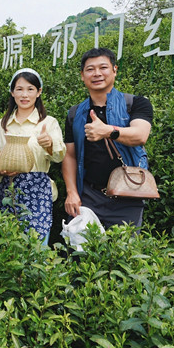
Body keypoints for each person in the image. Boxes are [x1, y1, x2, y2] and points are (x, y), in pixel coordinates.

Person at [62, 47, 154, 229]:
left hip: (129, 194)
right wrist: (72, 192)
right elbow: (70, 155)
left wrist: (108, 131)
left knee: (124, 246)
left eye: (103, 67)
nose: (97, 73)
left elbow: (140, 135)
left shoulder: (135, 103)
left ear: (114, 70)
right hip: (88, 196)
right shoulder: (75, 113)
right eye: (90, 69)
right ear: (82, 76)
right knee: (80, 246)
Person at [0, 68, 65, 243]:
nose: (24, 95)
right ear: (12, 92)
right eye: (19, 89)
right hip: (9, 189)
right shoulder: (1, 125)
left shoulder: (48, 123)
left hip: (38, 191)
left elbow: (59, 157)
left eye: (30, 89)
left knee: (36, 245)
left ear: (39, 92)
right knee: (7, 245)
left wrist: (49, 144)